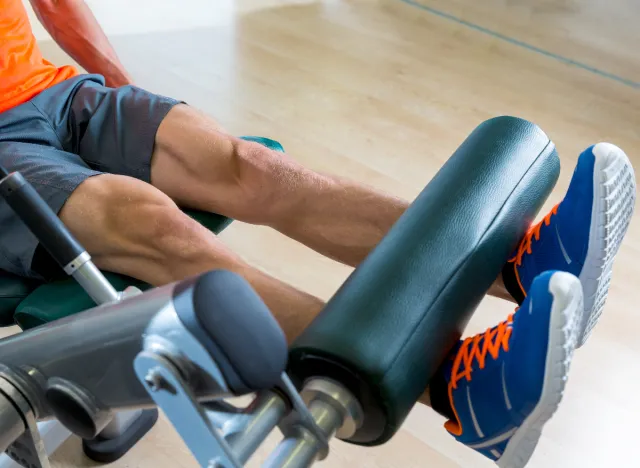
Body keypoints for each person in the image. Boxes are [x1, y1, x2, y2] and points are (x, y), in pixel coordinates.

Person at [0, 1, 635, 466]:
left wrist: (119, 81)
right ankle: (463, 390)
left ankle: (518, 263)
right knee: (149, 222)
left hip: (55, 93)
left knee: (252, 166)